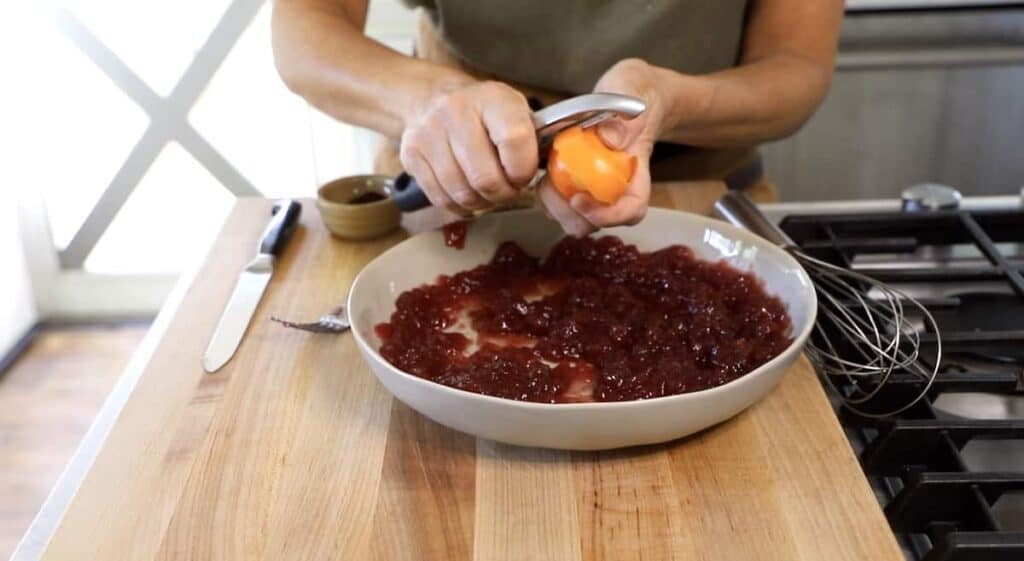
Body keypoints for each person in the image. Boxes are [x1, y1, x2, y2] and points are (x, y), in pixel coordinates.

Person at [272, 0, 843, 236]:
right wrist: (429, 100)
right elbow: (306, 32)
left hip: (703, 189)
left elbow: (795, 65)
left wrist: (669, 103)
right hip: (453, 169)